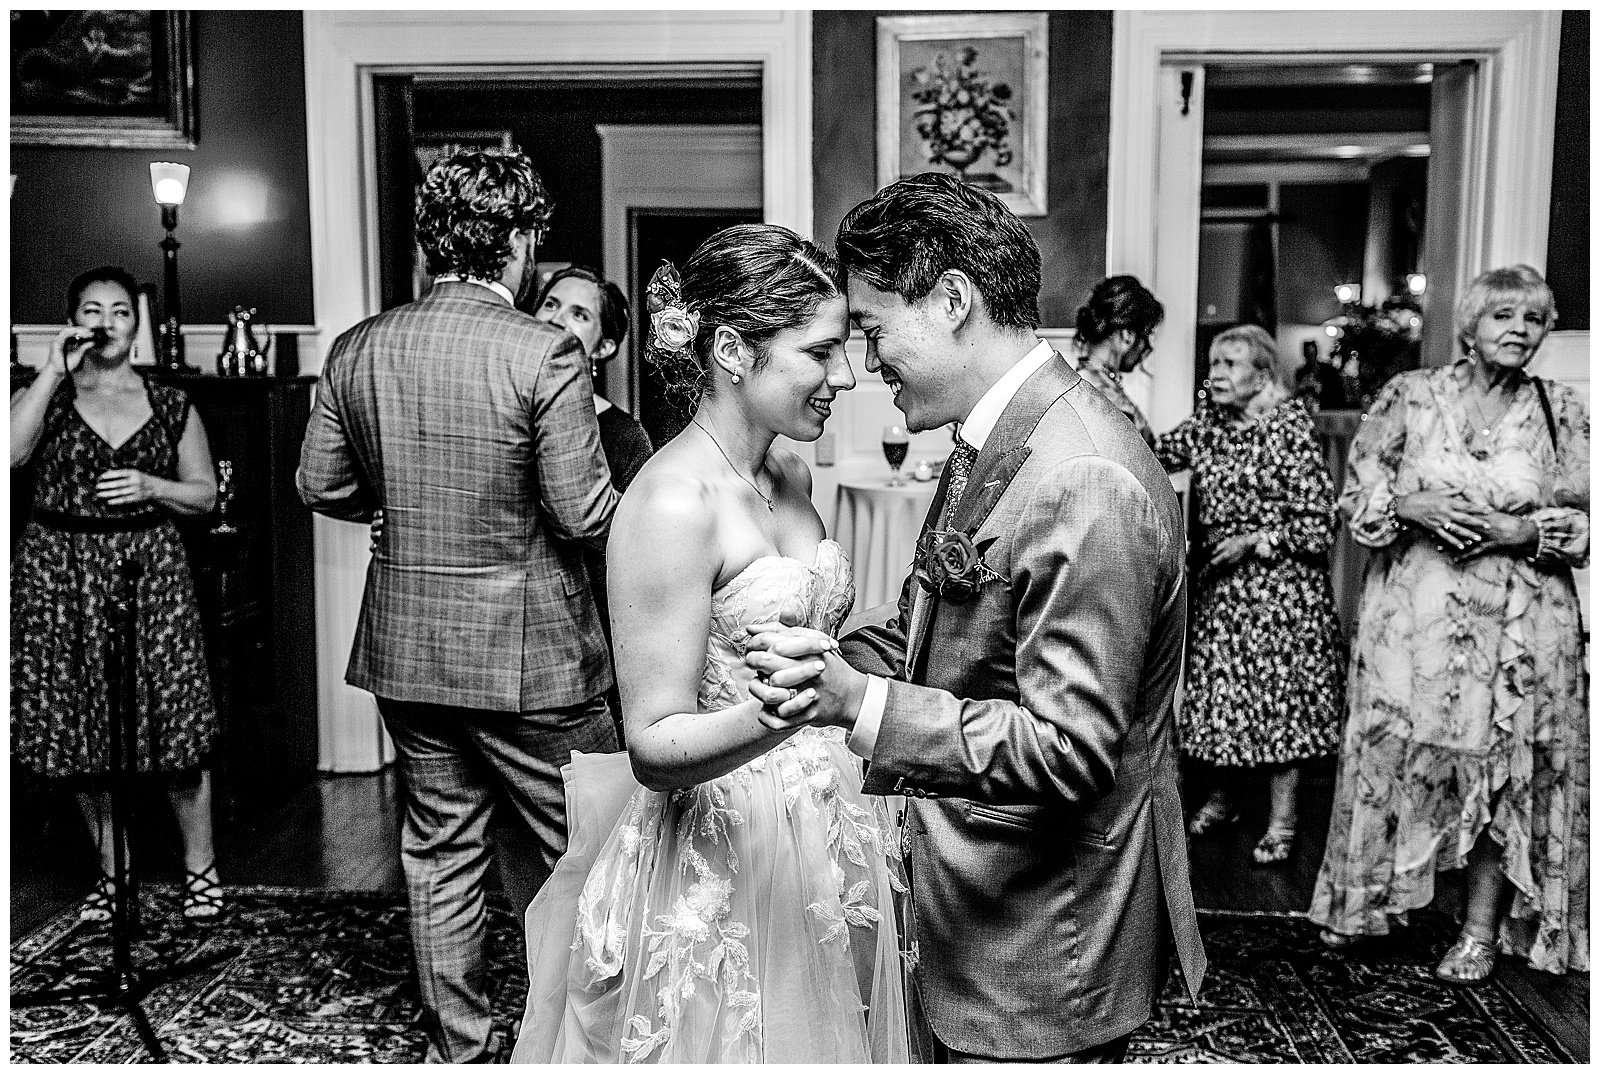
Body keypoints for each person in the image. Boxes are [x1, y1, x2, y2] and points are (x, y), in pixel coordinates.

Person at [744, 172, 1205, 1062]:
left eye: (875, 330)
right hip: (974, 903)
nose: (866, 363)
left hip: (1040, 944)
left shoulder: (1083, 476)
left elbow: (1070, 749)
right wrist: (814, 657)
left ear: (952, 300)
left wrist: (856, 705)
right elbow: (935, 618)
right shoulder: (994, 436)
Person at [512, 224, 909, 1063]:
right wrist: (782, 717)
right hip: (723, 840)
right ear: (733, 349)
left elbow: (803, 634)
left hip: (828, 815)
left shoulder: (792, 473)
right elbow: (653, 743)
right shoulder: (669, 504)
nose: (844, 375)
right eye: (821, 352)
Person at [297, 147, 621, 1063]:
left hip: (411, 652)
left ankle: (462, 1053)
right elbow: (584, 512)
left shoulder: (357, 346)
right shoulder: (543, 350)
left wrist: (401, 500)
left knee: (440, 857)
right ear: (517, 242)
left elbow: (320, 484)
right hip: (533, 662)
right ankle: (604, 1043)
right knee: (605, 848)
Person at [1309, 265, 1589, 984]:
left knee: (1502, 774)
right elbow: (1358, 495)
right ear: (1470, 325)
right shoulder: (1411, 394)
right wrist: (1414, 506)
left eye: (1532, 320)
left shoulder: (1562, 408)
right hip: (1412, 622)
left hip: (1520, 631)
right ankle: (1363, 903)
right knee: (1391, 757)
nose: (1518, 331)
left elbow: (1581, 529)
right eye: (1502, 316)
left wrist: (1512, 529)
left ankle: (1479, 932)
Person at [11, 265, 224, 924]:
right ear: (73, 319)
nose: (106, 321)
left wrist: (151, 487)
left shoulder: (169, 402)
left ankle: (201, 870)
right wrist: (50, 370)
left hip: (148, 571)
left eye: (120, 311)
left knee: (174, 725)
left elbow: (205, 493)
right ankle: (114, 870)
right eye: (92, 309)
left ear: (137, 325)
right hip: (60, 571)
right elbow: (9, 456)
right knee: (82, 731)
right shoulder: (40, 392)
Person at [1151, 324, 1347, 865]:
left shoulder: (1289, 427)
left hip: (1282, 593)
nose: (1215, 374)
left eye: (1230, 364)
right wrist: (1106, 399)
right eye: (1213, 363)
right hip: (1221, 589)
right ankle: (1225, 799)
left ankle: (1283, 821)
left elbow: (1319, 524)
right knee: (1221, 700)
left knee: (1280, 706)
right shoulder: (1211, 423)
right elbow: (1154, 452)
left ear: (1262, 375)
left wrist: (1255, 540)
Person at [533, 266, 653, 740]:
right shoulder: (508, 411)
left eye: (579, 314)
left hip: (590, 648)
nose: (557, 320)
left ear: (603, 348)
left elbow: (637, 555)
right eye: (550, 304)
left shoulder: (624, 437)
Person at [1072, 274, 1165, 444]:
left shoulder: (1083, 384)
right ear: (1127, 336)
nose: (1148, 348)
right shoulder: (1108, 401)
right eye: (1147, 336)